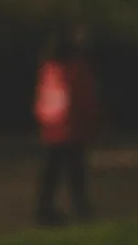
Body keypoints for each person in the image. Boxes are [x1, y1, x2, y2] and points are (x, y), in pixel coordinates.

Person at [33, 23, 101, 226]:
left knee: (51, 171)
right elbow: (85, 97)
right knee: (75, 170)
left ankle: (44, 208)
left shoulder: (49, 67)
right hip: (72, 127)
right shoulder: (77, 68)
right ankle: (80, 207)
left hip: (52, 127)